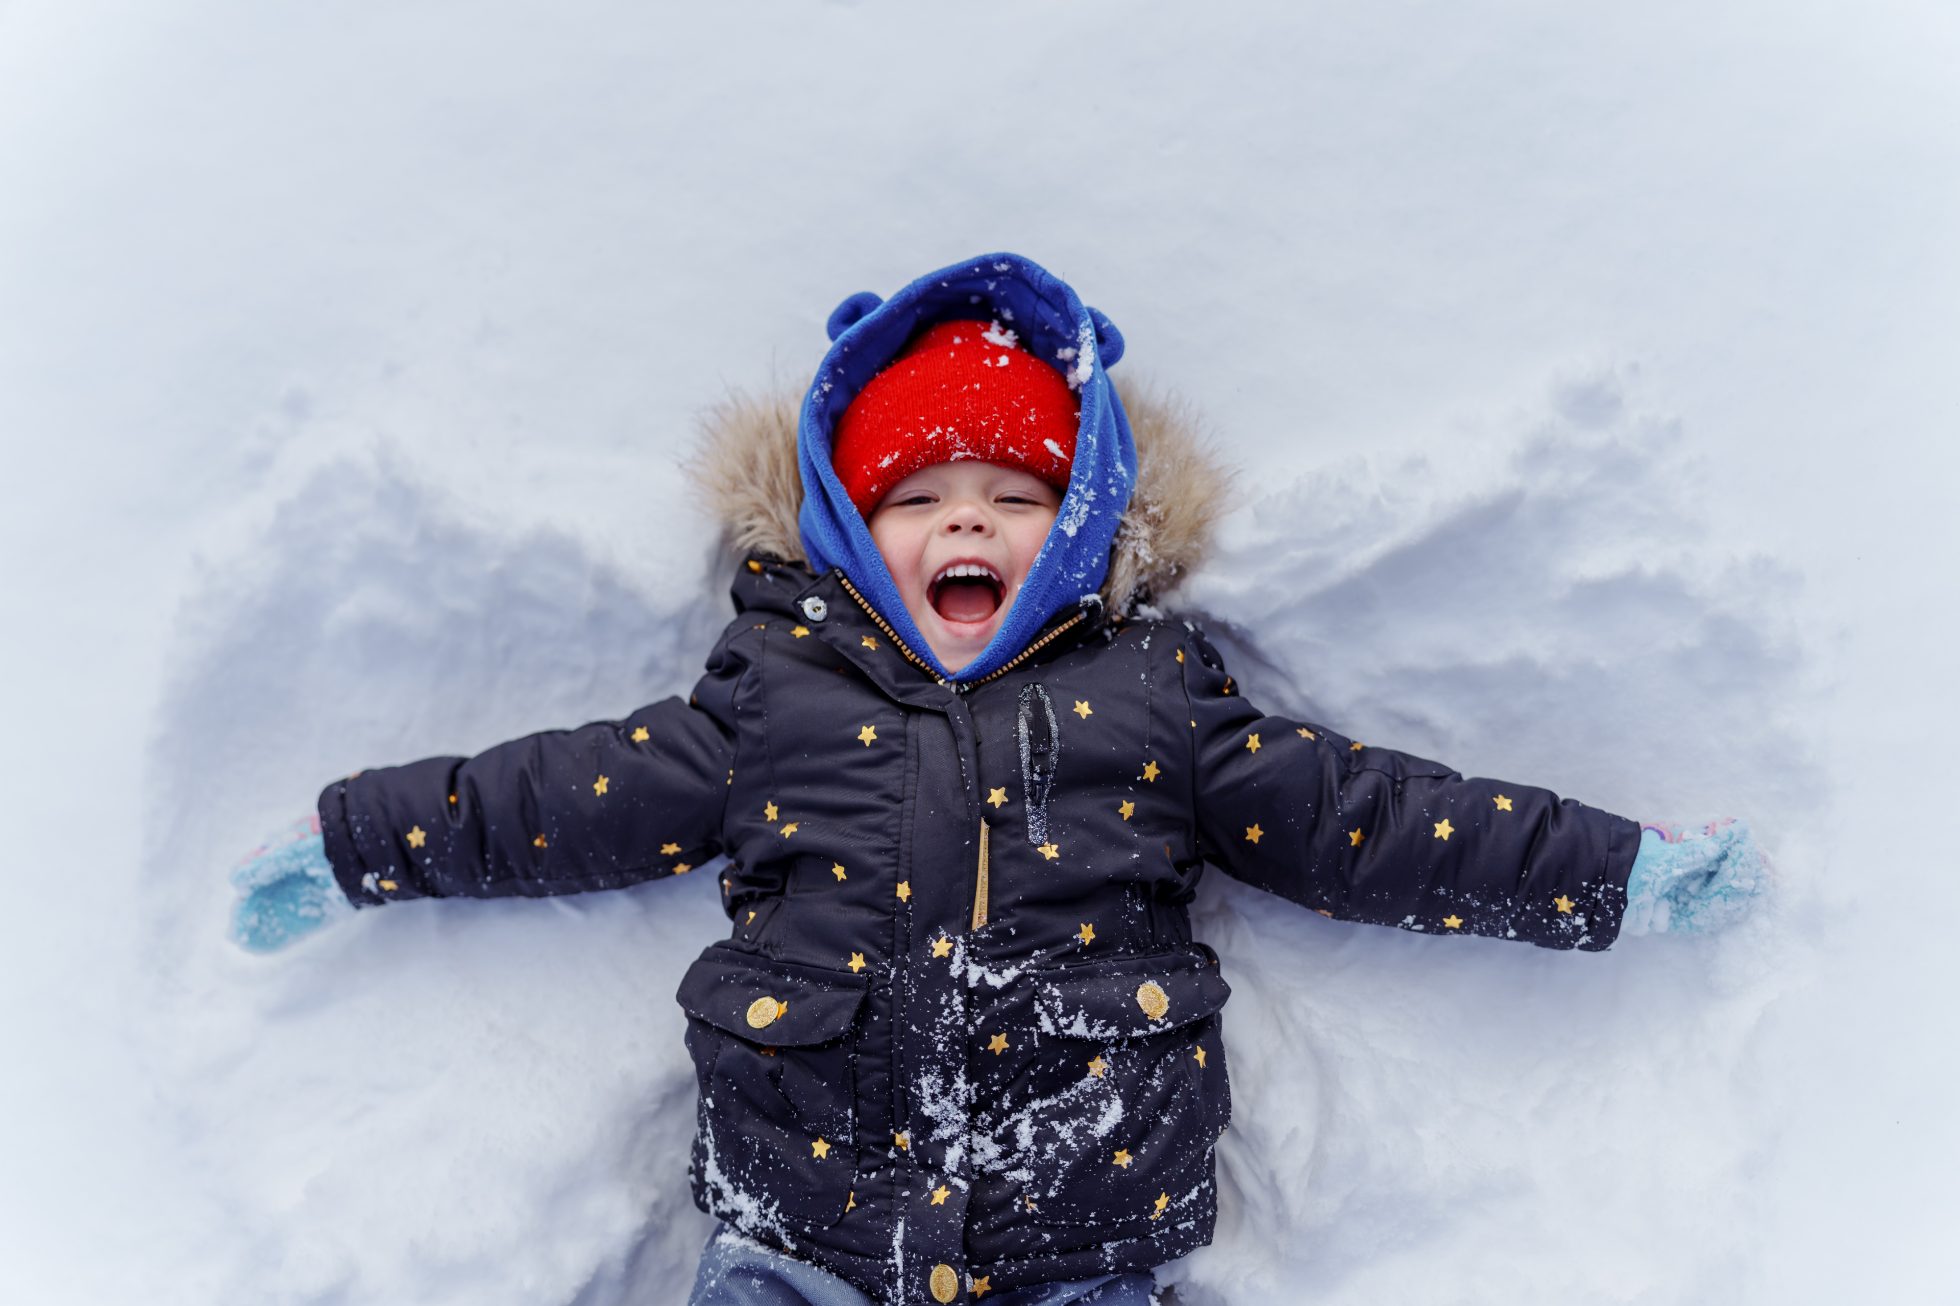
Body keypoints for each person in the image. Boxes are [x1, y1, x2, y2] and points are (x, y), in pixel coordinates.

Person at [228, 253, 1771, 1305]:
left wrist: (1607, 869)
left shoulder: (1155, 699)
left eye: (1016, 492)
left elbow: (1364, 818)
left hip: (1079, 1235)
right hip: (802, 1235)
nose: (966, 523)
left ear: (1084, 518)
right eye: (918, 495)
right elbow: (564, 793)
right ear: (846, 526)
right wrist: (362, 839)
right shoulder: (773, 696)